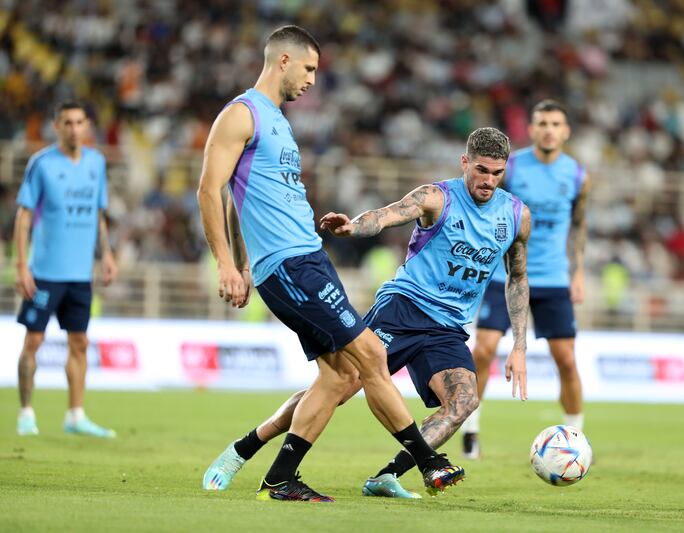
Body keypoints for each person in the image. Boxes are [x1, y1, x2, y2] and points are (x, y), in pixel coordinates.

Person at [196, 25, 463, 502]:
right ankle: (428, 460)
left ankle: (274, 473)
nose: (313, 80)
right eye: (310, 68)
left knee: (341, 374)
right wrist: (227, 264)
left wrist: (240, 259)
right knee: (372, 356)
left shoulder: (277, 121)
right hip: (290, 266)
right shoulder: (241, 115)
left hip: (307, 259)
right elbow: (209, 189)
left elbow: (242, 201)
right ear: (283, 61)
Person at [203, 127, 531, 498]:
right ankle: (244, 448)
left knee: (464, 402)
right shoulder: (437, 198)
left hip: (449, 327)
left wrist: (519, 344)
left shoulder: (516, 217)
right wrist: (353, 227)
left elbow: (517, 278)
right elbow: (386, 215)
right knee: (338, 385)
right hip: (404, 308)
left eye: (497, 173)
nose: (488, 181)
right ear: (465, 162)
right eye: (482, 170)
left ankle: (387, 476)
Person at [461, 99, 590, 459]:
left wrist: (577, 271)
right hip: (504, 275)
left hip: (553, 278)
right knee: (483, 349)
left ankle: (575, 440)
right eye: (542, 123)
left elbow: (579, 226)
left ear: (565, 131)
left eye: (555, 123)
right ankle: (471, 430)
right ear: (531, 130)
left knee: (566, 359)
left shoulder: (578, 175)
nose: (548, 129)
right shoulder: (512, 168)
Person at [14, 101, 118, 437]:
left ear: (87, 126)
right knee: (34, 340)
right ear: (57, 126)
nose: (74, 129)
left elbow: (98, 214)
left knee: (80, 342)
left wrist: (107, 254)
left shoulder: (96, 163)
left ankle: (75, 415)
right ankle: (26, 413)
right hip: (44, 271)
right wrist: (21, 266)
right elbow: (24, 215)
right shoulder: (42, 164)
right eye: (67, 123)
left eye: (79, 122)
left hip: (79, 274)